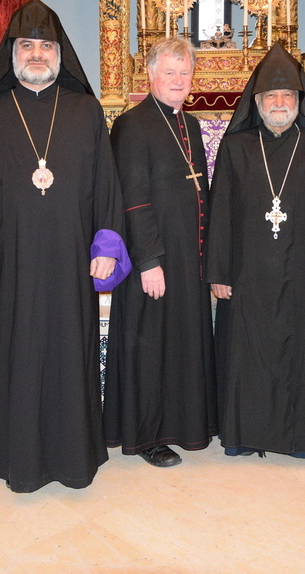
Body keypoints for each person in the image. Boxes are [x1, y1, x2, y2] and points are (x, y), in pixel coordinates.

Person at [0, 0, 127, 493]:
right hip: (13, 265)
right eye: (26, 45)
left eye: (45, 46)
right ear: (12, 52)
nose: (36, 54)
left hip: (73, 261)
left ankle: (75, 461)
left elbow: (106, 184)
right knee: (18, 357)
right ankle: (21, 463)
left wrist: (107, 245)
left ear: (60, 53)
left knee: (73, 354)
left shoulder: (85, 110)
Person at [205, 42, 305, 458]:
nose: (279, 102)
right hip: (245, 276)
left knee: (300, 356)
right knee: (245, 355)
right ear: (256, 102)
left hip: (304, 274)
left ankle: (300, 437)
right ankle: (241, 434)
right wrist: (218, 272)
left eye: (287, 96)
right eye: (270, 96)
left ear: (299, 101)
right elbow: (220, 214)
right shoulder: (236, 148)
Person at [104, 38, 217, 467]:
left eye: (184, 73)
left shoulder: (188, 125)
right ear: (150, 76)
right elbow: (133, 199)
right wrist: (149, 261)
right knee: (150, 348)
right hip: (153, 261)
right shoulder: (133, 125)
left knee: (180, 345)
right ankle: (147, 435)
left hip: (186, 258)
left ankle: (182, 425)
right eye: (169, 72)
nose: (177, 80)